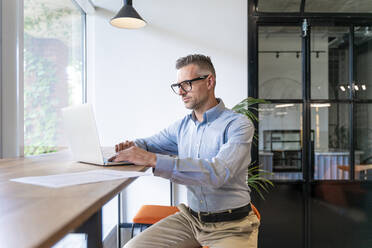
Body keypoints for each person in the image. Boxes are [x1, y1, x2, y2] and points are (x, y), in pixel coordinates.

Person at [110, 54, 259, 248]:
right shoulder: (181, 127)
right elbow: (147, 143)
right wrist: (130, 147)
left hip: (232, 225)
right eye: (178, 86)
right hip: (192, 221)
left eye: (187, 84)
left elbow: (218, 172)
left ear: (209, 81)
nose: (180, 92)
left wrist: (152, 159)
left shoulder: (238, 124)